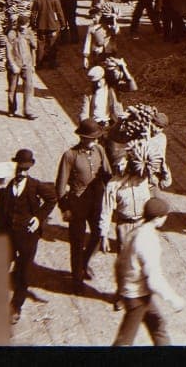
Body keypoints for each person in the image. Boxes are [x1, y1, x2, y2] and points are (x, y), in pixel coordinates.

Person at [0, 148, 57, 325]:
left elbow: (52, 199)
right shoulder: (6, 188)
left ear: (30, 169)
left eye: (25, 169)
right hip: (8, 236)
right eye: (19, 168)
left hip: (27, 237)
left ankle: (15, 307)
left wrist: (39, 218)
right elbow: (0, 215)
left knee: (23, 272)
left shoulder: (36, 186)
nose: (21, 172)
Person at [113, 197, 185, 346]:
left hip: (131, 291)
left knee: (158, 325)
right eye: (165, 216)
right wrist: (174, 299)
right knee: (125, 341)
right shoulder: (148, 240)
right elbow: (154, 279)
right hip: (138, 295)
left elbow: (119, 263)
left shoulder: (134, 231)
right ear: (158, 218)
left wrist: (120, 289)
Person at [55, 118, 112, 290]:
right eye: (92, 138)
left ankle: (84, 263)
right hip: (77, 203)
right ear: (82, 137)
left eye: (96, 138)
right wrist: (65, 207)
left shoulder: (99, 150)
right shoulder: (70, 155)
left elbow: (108, 172)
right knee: (77, 241)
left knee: (97, 234)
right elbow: (60, 185)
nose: (95, 141)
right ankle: (76, 279)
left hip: (96, 201)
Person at [100, 145, 154, 252]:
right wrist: (104, 236)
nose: (120, 167)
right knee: (125, 259)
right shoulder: (113, 184)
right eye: (116, 165)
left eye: (122, 164)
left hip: (143, 223)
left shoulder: (143, 177)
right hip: (124, 225)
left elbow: (166, 181)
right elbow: (106, 210)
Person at [4, 12, 38, 119]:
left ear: (28, 25)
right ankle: (12, 108)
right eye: (21, 27)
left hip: (27, 63)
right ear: (17, 24)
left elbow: (33, 50)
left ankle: (28, 110)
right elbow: (8, 51)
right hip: (15, 64)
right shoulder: (11, 34)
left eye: (25, 27)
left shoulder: (30, 33)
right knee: (12, 88)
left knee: (29, 87)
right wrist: (12, 64)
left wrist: (33, 64)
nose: (23, 29)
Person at [29, 0, 66, 70]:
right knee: (52, 45)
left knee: (40, 45)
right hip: (52, 26)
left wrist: (33, 24)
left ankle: (39, 64)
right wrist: (63, 23)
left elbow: (33, 13)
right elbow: (59, 12)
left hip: (40, 26)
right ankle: (52, 64)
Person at [81, 65, 126, 131]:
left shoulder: (112, 89)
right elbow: (84, 114)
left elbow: (132, 87)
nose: (97, 84)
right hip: (95, 126)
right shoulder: (89, 94)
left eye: (98, 81)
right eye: (94, 82)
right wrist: (87, 126)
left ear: (103, 78)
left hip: (111, 124)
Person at [146, 111, 173, 189]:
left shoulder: (162, 138)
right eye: (156, 126)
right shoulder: (145, 137)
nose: (157, 130)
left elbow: (161, 159)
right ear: (151, 123)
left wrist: (166, 176)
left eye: (160, 128)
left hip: (154, 173)